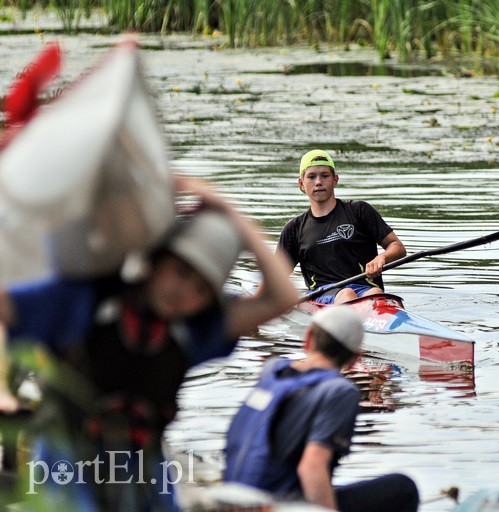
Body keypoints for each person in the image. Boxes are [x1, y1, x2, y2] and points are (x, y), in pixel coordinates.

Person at [0, 177, 298, 510]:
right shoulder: (83, 301)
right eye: (181, 272)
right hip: (65, 461)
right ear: (155, 262)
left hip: (144, 466)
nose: (186, 294)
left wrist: (229, 212)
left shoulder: (193, 332)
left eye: (202, 290)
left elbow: (283, 297)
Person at [225, 306, 419, 511]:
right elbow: (312, 467)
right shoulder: (339, 391)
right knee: (403, 488)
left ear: (308, 339)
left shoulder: (272, 371)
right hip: (275, 505)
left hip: (233, 497)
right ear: (355, 358)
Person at [277, 150, 407, 304]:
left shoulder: (360, 211)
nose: (318, 181)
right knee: (347, 293)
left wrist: (382, 258)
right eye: (311, 176)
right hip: (322, 294)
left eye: (325, 176)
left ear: (335, 180)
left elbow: (397, 247)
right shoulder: (294, 229)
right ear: (302, 184)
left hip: (367, 288)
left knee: (376, 293)